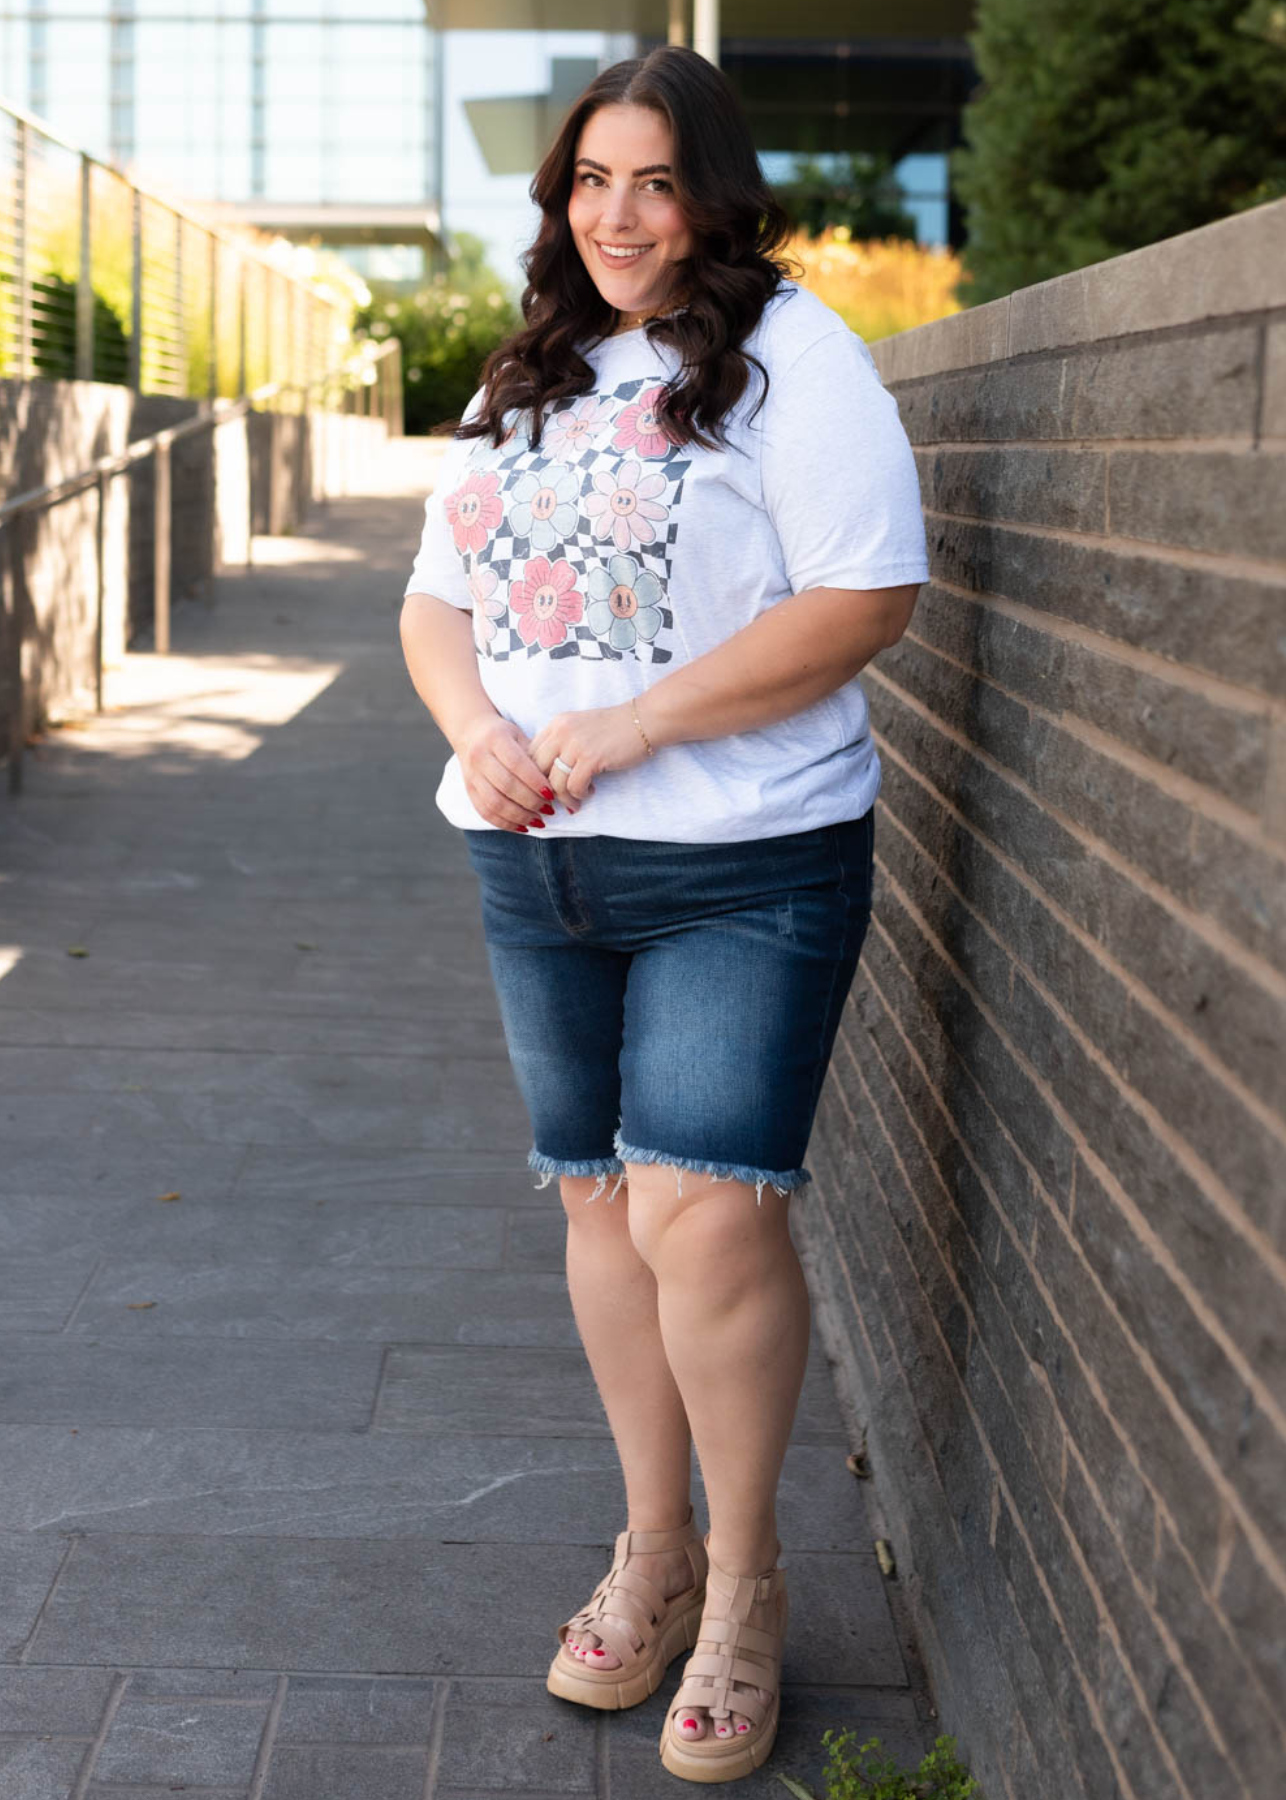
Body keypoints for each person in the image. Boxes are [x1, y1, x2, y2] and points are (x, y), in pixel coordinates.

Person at [398, 43, 928, 1785]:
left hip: (744, 856)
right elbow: (435, 607)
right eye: (589, 181)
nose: (619, 216)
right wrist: (481, 729)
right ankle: (652, 1548)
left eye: (654, 180)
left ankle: (749, 1583)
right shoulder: (528, 372)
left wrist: (633, 723)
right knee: (605, 1209)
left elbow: (866, 596)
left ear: (711, 189)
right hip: (531, 856)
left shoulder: (790, 360)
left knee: (705, 1214)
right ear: (559, 198)